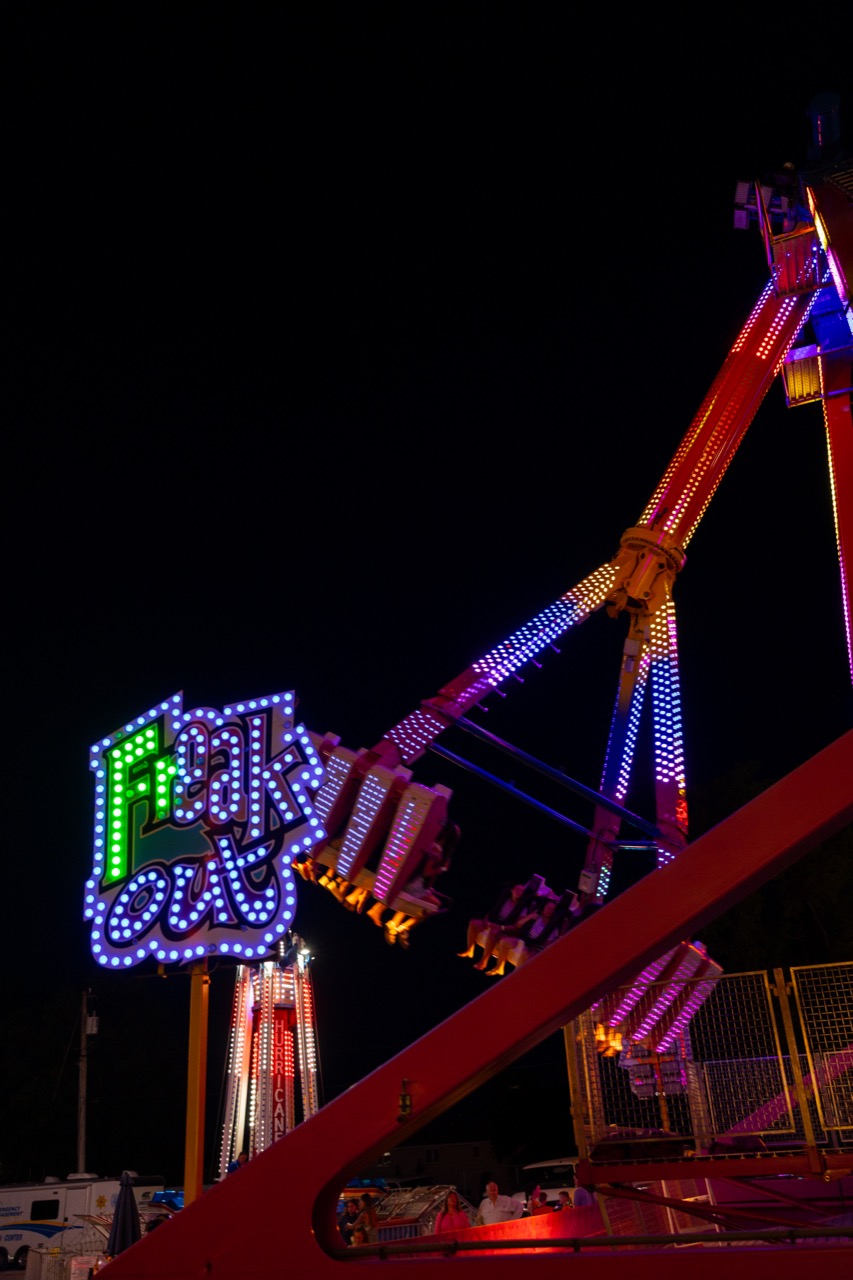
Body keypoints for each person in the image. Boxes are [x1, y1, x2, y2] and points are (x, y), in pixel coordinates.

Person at [458, 882, 531, 970]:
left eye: (522, 891)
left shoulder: (523, 908)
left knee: (494, 931)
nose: (519, 892)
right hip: (494, 922)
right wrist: (486, 921)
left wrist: (501, 927)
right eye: (517, 889)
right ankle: (470, 950)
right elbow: (493, 912)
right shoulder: (504, 900)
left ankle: (483, 962)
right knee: (474, 923)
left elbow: (516, 926)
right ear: (512, 890)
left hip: (505, 929)